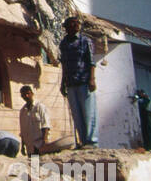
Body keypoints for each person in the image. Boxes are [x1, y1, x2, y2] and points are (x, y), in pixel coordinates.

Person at [59, 16, 98, 148]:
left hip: (84, 81)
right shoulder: (64, 43)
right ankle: (82, 141)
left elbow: (91, 62)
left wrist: (92, 79)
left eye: (77, 23)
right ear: (67, 27)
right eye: (73, 24)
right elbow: (64, 64)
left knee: (88, 112)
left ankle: (91, 141)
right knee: (76, 114)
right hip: (70, 83)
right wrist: (62, 83)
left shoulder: (85, 41)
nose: (76, 26)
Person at [18, 85, 53, 155]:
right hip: (30, 147)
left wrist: (45, 142)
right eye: (24, 95)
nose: (26, 96)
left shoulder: (40, 107)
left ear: (32, 93)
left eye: (28, 93)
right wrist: (22, 146)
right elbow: (23, 130)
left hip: (40, 144)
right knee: (34, 165)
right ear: (22, 96)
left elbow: (45, 125)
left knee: (43, 164)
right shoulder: (22, 111)